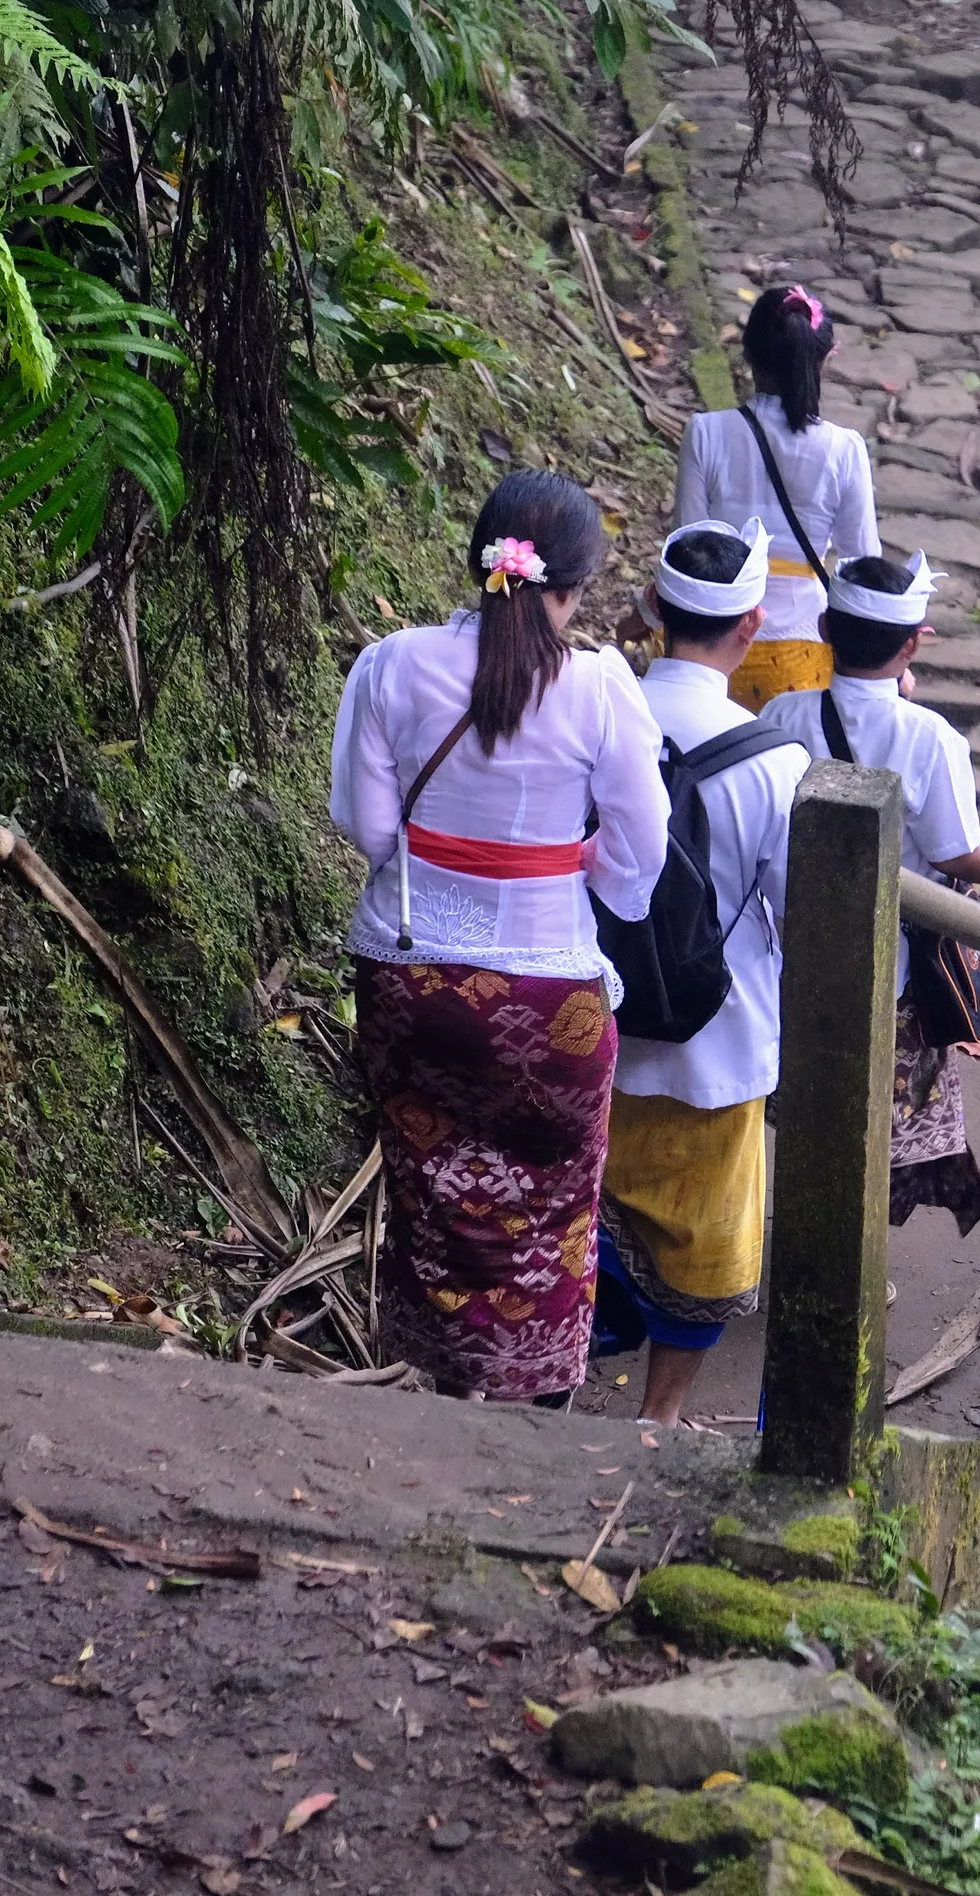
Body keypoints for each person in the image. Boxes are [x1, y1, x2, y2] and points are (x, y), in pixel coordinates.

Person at [330, 471, 669, 1405]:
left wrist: (446, 863)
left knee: (432, 1200)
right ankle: (533, 1401)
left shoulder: (391, 665)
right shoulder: (600, 690)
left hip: (410, 983)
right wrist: (573, 872)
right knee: (552, 1215)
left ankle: (435, 1386)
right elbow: (641, 853)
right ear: (576, 588)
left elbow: (366, 829)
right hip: (546, 1001)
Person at [760, 553, 980, 1232]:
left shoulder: (781, 714)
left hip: (796, 960)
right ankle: (851, 1249)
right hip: (893, 968)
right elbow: (957, 850)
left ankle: (809, 1234)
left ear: (825, 627)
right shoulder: (929, 736)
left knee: (815, 1105)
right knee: (881, 1118)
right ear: (911, 642)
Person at [597, 521, 810, 1424]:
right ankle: (661, 1418)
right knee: (705, 1242)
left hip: (591, 1016)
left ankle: (550, 1378)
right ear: (751, 626)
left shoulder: (596, 716)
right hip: (715, 1043)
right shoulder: (778, 763)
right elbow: (797, 911)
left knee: (581, 1208)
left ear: (654, 610)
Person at [671, 284, 878, 712]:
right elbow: (862, 564)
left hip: (714, 649)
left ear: (746, 356)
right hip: (803, 652)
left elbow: (687, 548)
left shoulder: (706, 433)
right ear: (824, 359)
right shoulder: (844, 448)